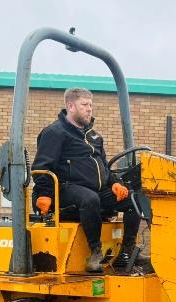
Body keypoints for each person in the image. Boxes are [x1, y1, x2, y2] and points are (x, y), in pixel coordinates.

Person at [31, 87, 143, 273]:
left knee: (135, 200)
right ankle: (95, 252)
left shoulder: (94, 137)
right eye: (84, 105)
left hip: (96, 190)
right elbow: (42, 166)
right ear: (70, 106)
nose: (89, 109)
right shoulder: (55, 132)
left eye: (90, 105)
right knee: (90, 198)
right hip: (66, 190)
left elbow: (103, 166)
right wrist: (44, 194)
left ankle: (127, 251)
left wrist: (115, 183)